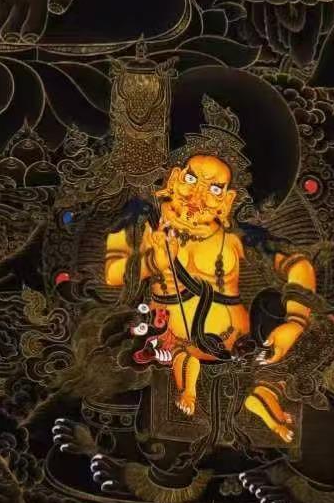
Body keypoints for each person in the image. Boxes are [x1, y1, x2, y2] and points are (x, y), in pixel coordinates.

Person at [104, 97, 317, 442]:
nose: (198, 195)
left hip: (239, 349)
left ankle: (266, 397)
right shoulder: (140, 220)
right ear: (174, 178)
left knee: (314, 336)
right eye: (191, 178)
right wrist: (153, 261)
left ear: (228, 200)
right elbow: (113, 274)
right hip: (166, 343)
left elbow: (298, 264)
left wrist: (295, 323)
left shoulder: (239, 236)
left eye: (215, 188)